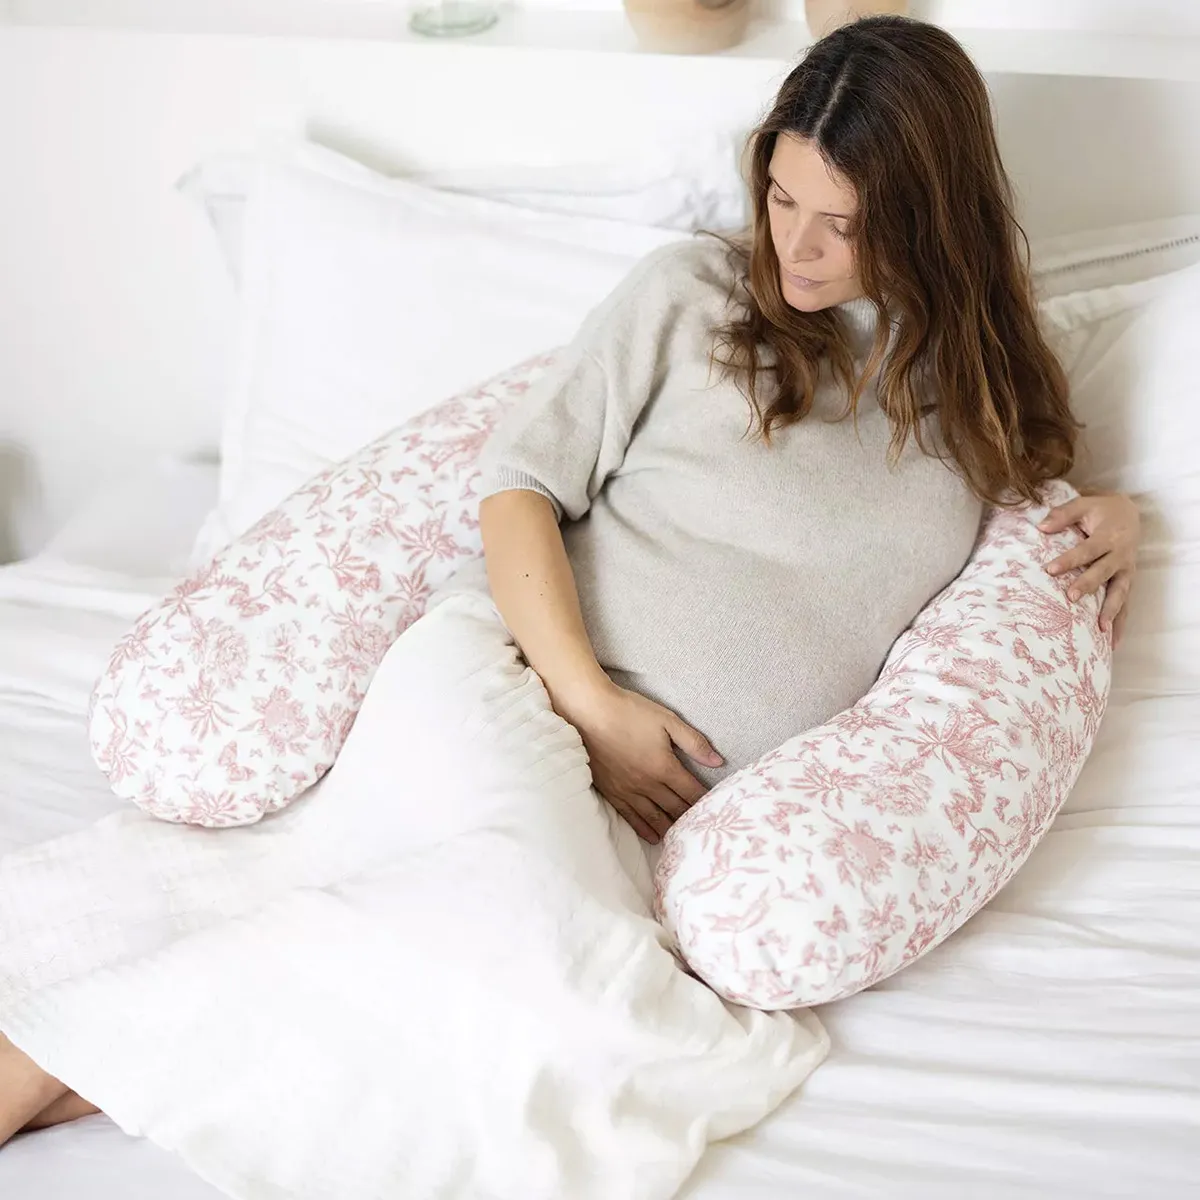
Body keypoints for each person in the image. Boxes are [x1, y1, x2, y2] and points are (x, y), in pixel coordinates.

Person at [0, 14, 1140, 1145]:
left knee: (479, 966)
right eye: (782, 200)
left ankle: (38, 1065)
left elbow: (1045, 503)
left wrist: (1125, 512)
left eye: (841, 224)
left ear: (933, 217)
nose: (795, 248)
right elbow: (518, 490)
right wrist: (591, 704)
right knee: (515, 953)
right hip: (501, 679)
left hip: (637, 818)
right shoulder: (693, 295)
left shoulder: (981, 403)